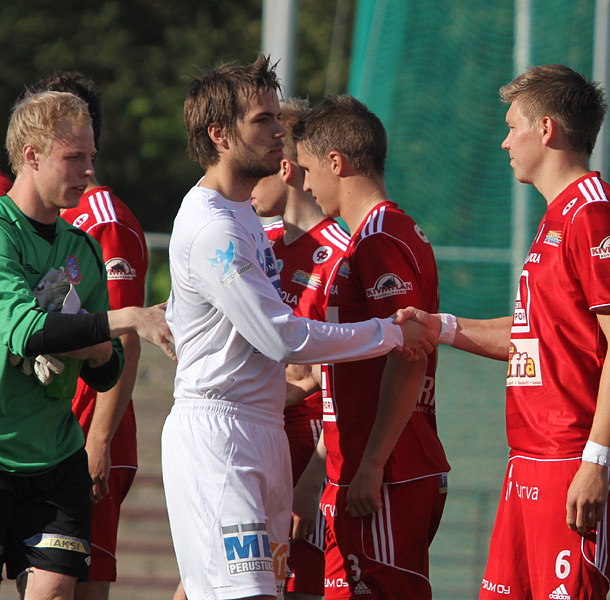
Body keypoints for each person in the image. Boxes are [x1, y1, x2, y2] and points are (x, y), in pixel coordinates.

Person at [162, 57, 436, 600]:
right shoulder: (215, 226)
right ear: (219, 134)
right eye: (262, 120)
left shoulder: (241, 213)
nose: (280, 131)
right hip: (222, 437)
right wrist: (390, 332)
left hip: (262, 429)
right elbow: (282, 337)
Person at [399, 64, 610, 600]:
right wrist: (440, 327)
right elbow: (534, 335)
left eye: (513, 125)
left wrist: (597, 459)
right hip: (528, 455)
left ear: (548, 129)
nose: (505, 140)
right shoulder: (559, 216)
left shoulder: (597, 214)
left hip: (572, 456)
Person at [0, 90, 172, 600]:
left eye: (90, 158)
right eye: (73, 158)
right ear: (31, 155)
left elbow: (106, 370)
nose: (86, 171)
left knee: (57, 594)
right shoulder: (3, 232)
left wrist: (99, 348)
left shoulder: (83, 248)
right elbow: (27, 331)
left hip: (57, 459)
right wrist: (123, 319)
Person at [292, 95, 450, 600]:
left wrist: (373, 463)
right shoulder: (368, 238)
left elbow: (410, 349)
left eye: (309, 169)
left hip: (387, 474)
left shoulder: (380, 238)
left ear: (336, 163)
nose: (308, 184)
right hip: (360, 469)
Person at [27, 71, 148, 600]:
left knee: (80, 589)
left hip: (87, 432)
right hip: (44, 431)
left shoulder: (102, 221)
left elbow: (125, 334)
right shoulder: (36, 218)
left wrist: (97, 441)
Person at [251, 98, 344, 600]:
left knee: (297, 588)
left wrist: (313, 477)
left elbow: (329, 382)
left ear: (285, 167)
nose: (246, 183)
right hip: (255, 437)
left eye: (257, 168)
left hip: (306, 449)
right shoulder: (257, 243)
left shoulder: (339, 254)